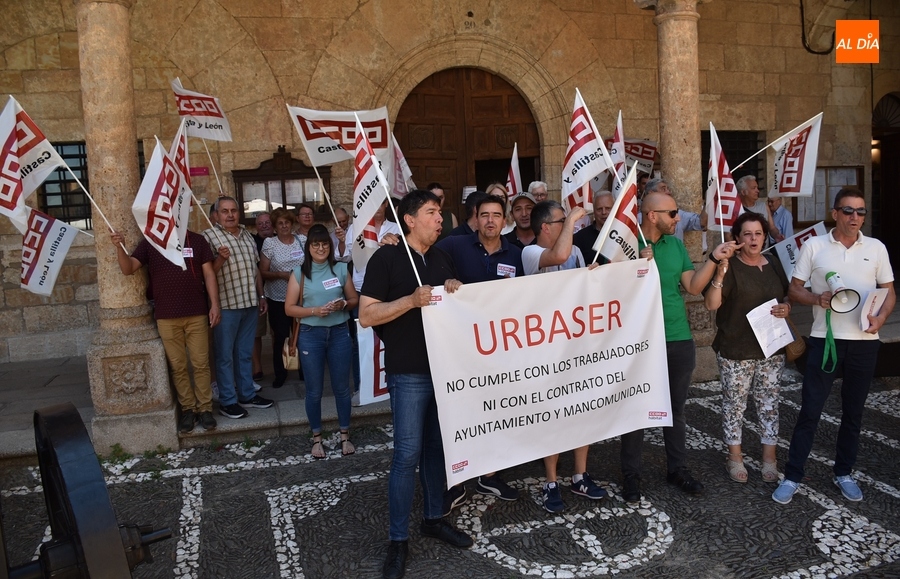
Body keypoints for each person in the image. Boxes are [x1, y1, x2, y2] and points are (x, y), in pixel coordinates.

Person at [359, 190, 471, 579]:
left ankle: (434, 518)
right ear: (409, 219)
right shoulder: (386, 257)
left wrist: (455, 290)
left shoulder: (442, 258)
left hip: (444, 372)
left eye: (440, 212)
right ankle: (397, 541)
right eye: (431, 212)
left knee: (436, 449)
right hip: (408, 372)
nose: (440, 218)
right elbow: (367, 316)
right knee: (406, 455)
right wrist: (409, 300)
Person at [773, 188, 895, 505]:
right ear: (835, 213)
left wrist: (882, 317)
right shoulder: (814, 246)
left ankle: (844, 473)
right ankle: (792, 476)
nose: (856, 217)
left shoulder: (877, 248)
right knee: (810, 411)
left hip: (865, 344)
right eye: (849, 211)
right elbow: (795, 290)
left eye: (861, 212)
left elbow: (889, 291)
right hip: (824, 341)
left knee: (853, 414)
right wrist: (818, 298)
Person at [619, 192, 739, 503]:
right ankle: (631, 474)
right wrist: (632, 265)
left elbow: (693, 286)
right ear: (651, 215)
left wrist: (713, 259)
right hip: (639, 341)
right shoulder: (625, 244)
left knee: (675, 409)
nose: (677, 218)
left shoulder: (675, 244)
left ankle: (677, 468)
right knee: (637, 411)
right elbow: (606, 289)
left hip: (676, 336)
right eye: (672, 213)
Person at [436, 193, 523, 510]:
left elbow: (526, 298)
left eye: (496, 215)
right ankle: (455, 482)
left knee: (496, 413)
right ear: (476, 217)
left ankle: (489, 475)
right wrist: (444, 281)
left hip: (499, 352)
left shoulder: (515, 254)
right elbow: (422, 260)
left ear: (505, 219)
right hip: (459, 352)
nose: (490, 220)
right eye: (484, 214)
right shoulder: (454, 245)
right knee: (459, 414)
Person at [521, 200, 606, 513]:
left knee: (581, 409)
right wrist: (572, 217)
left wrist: (592, 276)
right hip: (546, 351)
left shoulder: (577, 251)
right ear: (546, 227)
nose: (571, 226)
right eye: (561, 222)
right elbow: (557, 255)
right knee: (553, 415)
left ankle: (580, 475)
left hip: (576, 346)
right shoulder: (529, 252)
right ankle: (551, 480)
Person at [704, 212, 790, 484]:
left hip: (771, 349)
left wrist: (787, 307)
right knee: (735, 406)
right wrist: (719, 273)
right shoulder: (731, 267)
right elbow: (711, 304)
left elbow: (786, 294)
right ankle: (735, 457)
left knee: (769, 405)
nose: (754, 239)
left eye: (758, 234)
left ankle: (769, 459)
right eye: (747, 234)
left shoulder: (775, 264)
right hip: (736, 350)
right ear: (737, 239)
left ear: (765, 236)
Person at [110, 229, 220, 433]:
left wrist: (215, 305)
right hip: (167, 316)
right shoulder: (151, 242)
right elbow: (128, 268)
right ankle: (188, 409)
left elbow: (209, 273)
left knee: (201, 363)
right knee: (178, 366)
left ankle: (205, 409)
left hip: (196, 313)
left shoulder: (196, 240)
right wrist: (119, 247)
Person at [285, 225, 358, 458]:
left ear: (330, 245)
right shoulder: (299, 273)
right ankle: (317, 439)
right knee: (314, 391)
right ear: (308, 247)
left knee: (342, 389)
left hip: (339, 332)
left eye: (324, 244)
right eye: (315, 244)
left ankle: (345, 436)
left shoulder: (340, 268)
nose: (320, 248)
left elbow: (354, 299)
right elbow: (289, 308)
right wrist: (315, 311)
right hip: (310, 335)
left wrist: (343, 305)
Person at [203, 197, 274, 419]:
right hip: (226, 305)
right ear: (216, 215)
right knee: (224, 356)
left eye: (234, 210)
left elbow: (255, 269)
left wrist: (261, 295)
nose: (230, 215)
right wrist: (220, 260)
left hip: (250, 303)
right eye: (225, 211)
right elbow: (208, 274)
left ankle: (246, 394)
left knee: (244, 353)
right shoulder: (209, 237)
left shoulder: (246, 236)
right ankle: (227, 400)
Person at [337, 197, 401, 393]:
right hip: (361, 289)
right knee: (362, 340)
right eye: (374, 204)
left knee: (391, 339)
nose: (378, 208)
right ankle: (361, 386)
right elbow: (345, 256)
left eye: (381, 204)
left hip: (389, 291)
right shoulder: (356, 227)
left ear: (386, 205)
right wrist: (341, 241)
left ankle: (389, 383)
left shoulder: (396, 227)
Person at [260, 208, 306, 389]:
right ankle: (281, 373)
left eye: (287, 222)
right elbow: (263, 272)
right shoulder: (270, 244)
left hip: (301, 297)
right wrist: (280, 274)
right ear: (275, 226)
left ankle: (304, 371)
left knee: (302, 335)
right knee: (280, 336)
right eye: (280, 223)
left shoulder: (302, 241)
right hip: (278, 298)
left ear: (292, 224)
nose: (284, 225)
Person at [252, 212, 274, 382]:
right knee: (256, 333)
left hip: (278, 293)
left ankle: (280, 363)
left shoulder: (279, 239)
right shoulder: (251, 241)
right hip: (257, 293)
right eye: (261, 223)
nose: (265, 225)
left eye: (267, 222)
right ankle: (257, 367)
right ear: (256, 226)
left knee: (278, 332)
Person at [735, 175, 781, 243]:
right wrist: (738, 252)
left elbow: (772, 228)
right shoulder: (735, 210)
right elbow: (728, 235)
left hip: (764, 252)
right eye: (754, 188)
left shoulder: (764, 206)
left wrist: (777, 235)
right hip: (745, 253)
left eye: (757, 187)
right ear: (743, 192)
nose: (758, 191)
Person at [572, 191, 613, 264]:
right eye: (599, 209)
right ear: (594, 211)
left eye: (608, 208)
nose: (604, 212)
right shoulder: (580, 238)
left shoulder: (625, 233)